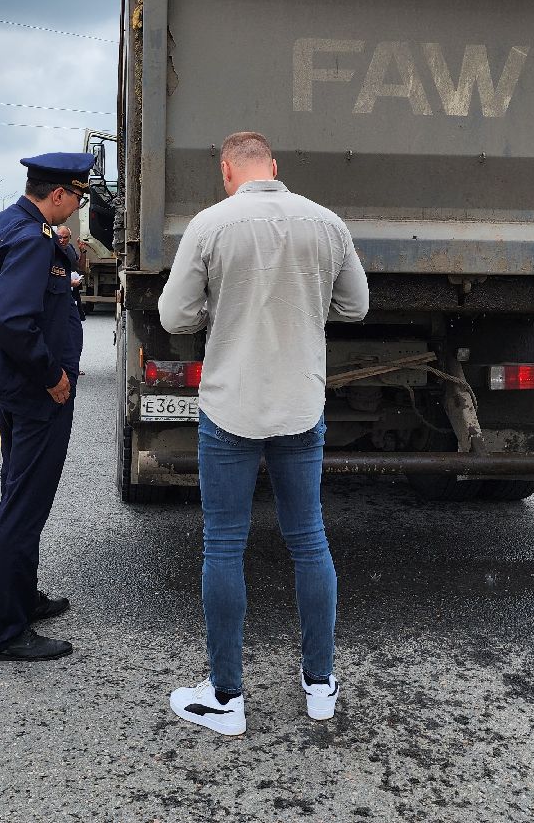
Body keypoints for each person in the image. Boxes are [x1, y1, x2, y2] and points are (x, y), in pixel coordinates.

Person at [158, 131, 369, 735]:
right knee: (309, 540)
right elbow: (355, 306)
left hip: (231, 409)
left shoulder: (211, 224)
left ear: (228, 171)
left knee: (224, 544)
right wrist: (303, 307)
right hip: (301, 406)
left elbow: (175, 315)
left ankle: (226, 699)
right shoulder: (327, 223)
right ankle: (319, 685)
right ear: (274, 168)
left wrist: (215, 314)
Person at [0, 151, 94, 662]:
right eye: (78, 196)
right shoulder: (30, 238)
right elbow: (11, 320)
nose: (77, 206)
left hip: (12, 387)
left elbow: (15, 295)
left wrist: (64, 261)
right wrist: (54, 377)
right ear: (60, 193)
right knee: (24, 510)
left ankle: (22, 599)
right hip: (36, 392)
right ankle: (5, 632)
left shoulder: (9, 224)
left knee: (18, 498)